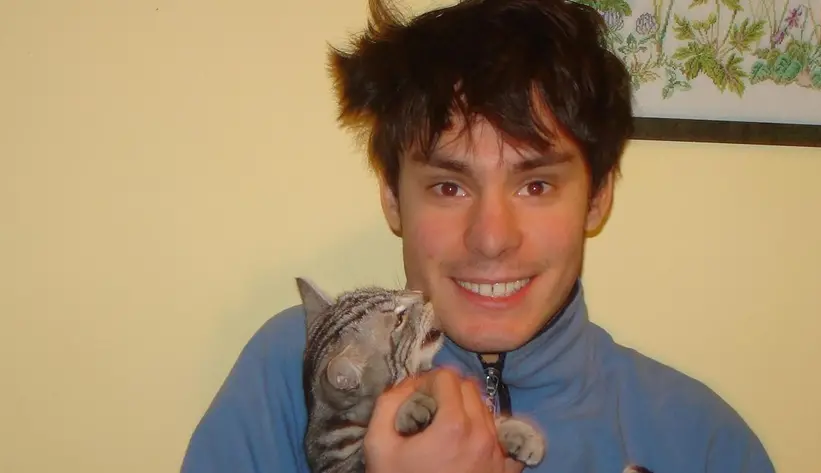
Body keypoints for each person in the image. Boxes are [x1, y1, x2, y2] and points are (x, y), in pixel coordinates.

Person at [180, 0, 776, 472]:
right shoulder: (300, 372)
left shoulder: (702, 443)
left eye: (536, 186)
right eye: (450, 187)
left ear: (598, 197)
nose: (491, 238)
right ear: (392, 198)